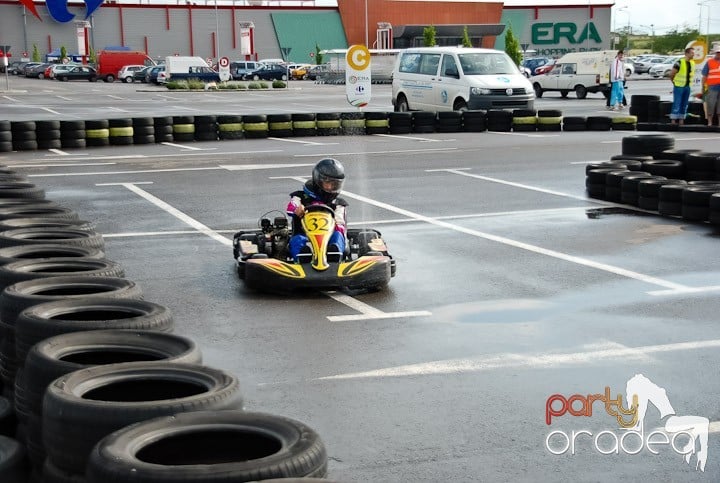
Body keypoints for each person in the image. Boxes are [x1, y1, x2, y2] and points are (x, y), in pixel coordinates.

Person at [286, 158, 348, 262]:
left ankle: (334, 253)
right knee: (298, 240)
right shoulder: (301, 197)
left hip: (328, 238)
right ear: (318, 180)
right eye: (328, 183)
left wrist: (334, 225)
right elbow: (291, 207)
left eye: (335, 184)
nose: (331, 187)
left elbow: (340, 223)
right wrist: (297, 209)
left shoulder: (338, 203)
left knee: (337, 235)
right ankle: (302, 256)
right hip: (303, 233)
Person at [669, 48, 696, 125]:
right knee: (677, 103)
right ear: (687, 53)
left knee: (685, 103)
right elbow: (672, 74)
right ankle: (673, 120)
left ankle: (681, 119)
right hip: (679, 86)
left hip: (687, 86)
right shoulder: (679, 62)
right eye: (692, 53)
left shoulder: (692, 63)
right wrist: (674, 82)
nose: (693, 54)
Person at [701, 47, 720, 126]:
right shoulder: (709, 62)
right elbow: (704, 76)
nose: (719, 54)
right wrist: (703, 87)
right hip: (712, 86)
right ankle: (710, 122)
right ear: (715, 53)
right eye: (718, 53)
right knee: (710, 105)